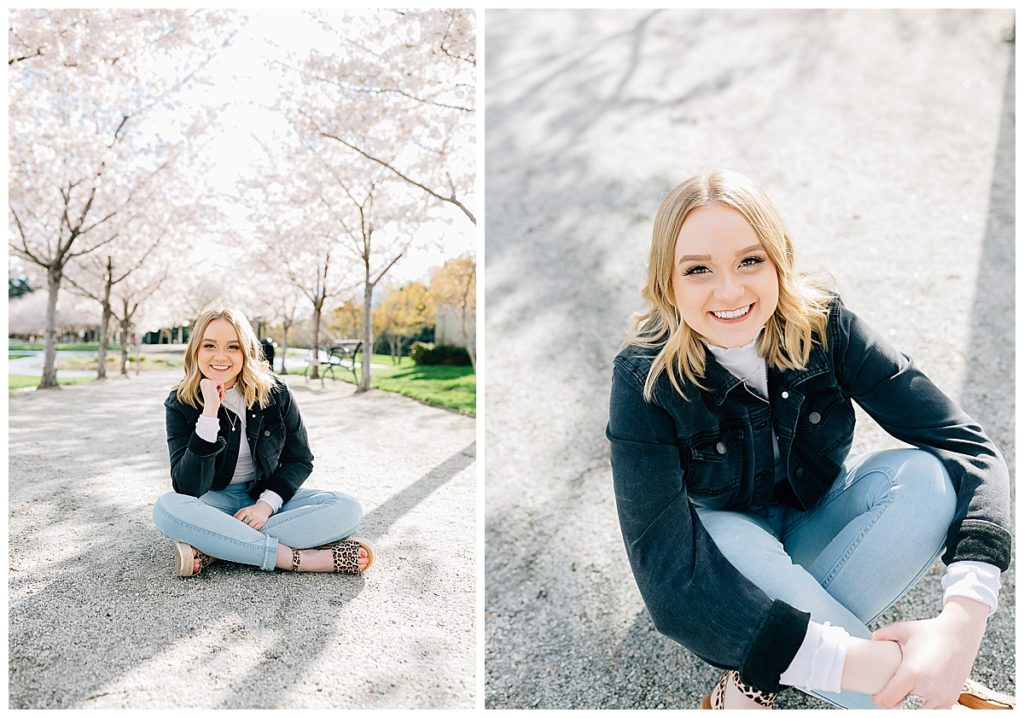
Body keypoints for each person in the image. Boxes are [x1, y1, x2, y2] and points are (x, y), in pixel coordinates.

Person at [606, 171, 1012, 710]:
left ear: (780, 260)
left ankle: (754, 676)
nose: (729, 290)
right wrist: (873, 665)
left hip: (816, 514)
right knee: (721, 550)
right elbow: (668, 577)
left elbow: (964, 444)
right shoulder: (644, 378)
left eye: (750, 260)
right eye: (698, 269)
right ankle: (929, 694)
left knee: (926, 480)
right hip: (731, 545)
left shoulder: (827, 325)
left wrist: (962, 624)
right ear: (667, 284)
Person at [153, 307, 374, 577]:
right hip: (212, 502)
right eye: (209, 345)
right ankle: (299, 559)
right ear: (196, 349)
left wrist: (265, 506)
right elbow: (187, 487)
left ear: (246, 351)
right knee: (167, 509)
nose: (220, 356)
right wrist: (210, 413)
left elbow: (300, 459)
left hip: (263, 496)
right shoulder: (180, 401)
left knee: (346, 508)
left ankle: (217, 545)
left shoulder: (276, 393)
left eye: (232, 347)